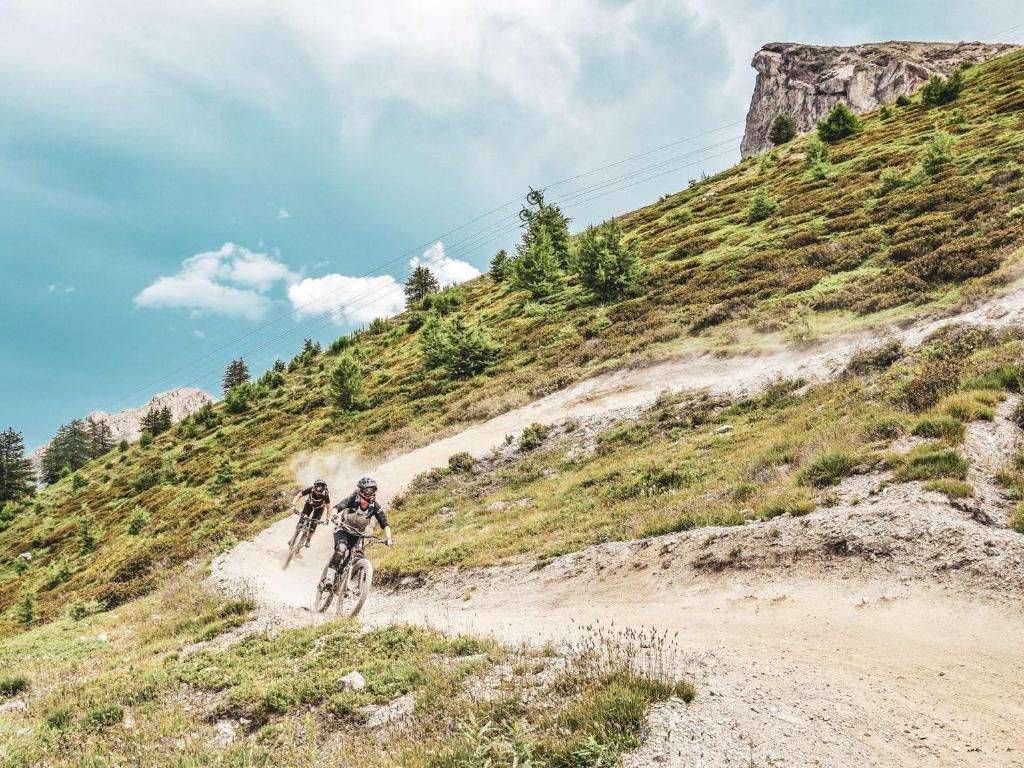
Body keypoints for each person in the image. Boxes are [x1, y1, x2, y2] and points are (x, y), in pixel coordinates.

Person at [325, 476, 393, 578]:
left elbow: (385, 524)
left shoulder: (374, 507)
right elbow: (337, 508)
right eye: (368, 490)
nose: (371, 494)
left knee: (358, 556)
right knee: (341, 549)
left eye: (373, 490)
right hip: (343, 529)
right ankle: (330, 576)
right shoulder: (352, 500)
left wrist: (389, 538)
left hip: (358, 535)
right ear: (361, 491)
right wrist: (335, 516)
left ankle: (344, 578)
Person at [291, 479, 331, 546]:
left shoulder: (326, 495)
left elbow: (329, 507)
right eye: (317, 490)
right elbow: (299, 495)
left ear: (323, 489)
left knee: (313, 526)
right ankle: (294, 537)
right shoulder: (311, 489)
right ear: (314, 487)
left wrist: (327, 519)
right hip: (309, 505)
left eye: (320, 490)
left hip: (319, 508)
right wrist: (293, 504)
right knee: (301, 521)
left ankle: (308, 539)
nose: (318, 493)